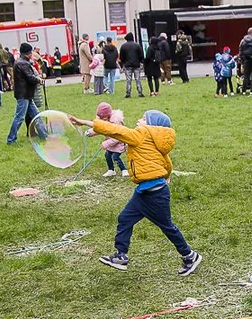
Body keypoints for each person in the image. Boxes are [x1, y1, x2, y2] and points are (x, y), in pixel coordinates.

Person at [68, 109, 203, 276]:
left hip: (154, 194)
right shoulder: (153, 140)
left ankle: (190, 256)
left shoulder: (141, 134)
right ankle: (121, 256)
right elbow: (167, 163)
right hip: (145, 191)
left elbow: (116, 131)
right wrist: (166, 176)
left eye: (143, 118)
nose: (139, 120)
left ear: (152, 125)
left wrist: (86, 122)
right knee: (125, 218)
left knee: (167, 226)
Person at [7, 43, 41, 145]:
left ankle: (44, 135)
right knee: (20, 117)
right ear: (28, 53)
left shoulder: (22, 62)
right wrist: (38, 79)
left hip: (26, 94)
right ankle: (11, 139)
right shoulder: (23, 64)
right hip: (24, 94)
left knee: (37, 115)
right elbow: (30, 78)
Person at [92, 102, 128, 177]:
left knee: (115, 157)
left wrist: (106, 144)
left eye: (103, 118)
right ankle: (111, 170)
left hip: (119, 143)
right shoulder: (105, 120)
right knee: (107, 155)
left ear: (107, 115)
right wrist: (91, 132)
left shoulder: (115, 122)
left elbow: (117, 136)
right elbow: (101, 129)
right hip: (110, 143)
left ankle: (124, 169)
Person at [119, 32, 145, 98]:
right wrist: (141, 62)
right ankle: (140, 92)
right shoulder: (137, 45)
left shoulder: (123, 46)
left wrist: (123, 63)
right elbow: (141, 55)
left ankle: (128, 93)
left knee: (128, 80)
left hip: (127, 65)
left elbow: (121, 57)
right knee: (138, 79)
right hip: (136, 65)